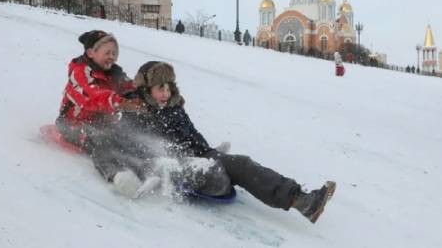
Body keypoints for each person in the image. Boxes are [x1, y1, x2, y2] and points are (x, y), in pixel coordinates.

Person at [118, 61, 336, 223]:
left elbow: (193, 136)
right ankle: (218, 169)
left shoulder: (174, 109)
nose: (165, 93)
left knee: (242, 163)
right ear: (146, 90)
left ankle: (303, 201)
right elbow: (134, 148)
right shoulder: (137, 113)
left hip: (203, 156)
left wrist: (211, 152)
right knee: (217, 172)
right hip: (178, 167)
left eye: (168, 87)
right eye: (159, 89)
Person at [55, 30, 160, 197]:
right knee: (99, 139)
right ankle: (117, 174)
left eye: (114, 53)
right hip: (72, 124)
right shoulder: (80, 72)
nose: (112, 57)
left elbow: (129, 87)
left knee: (127, 138)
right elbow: (91, 96)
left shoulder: (114, 73)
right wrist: (121, 102)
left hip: (104, 124)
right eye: (107, 53)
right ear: (91, 53)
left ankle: (150, 170)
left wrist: (152, 99)